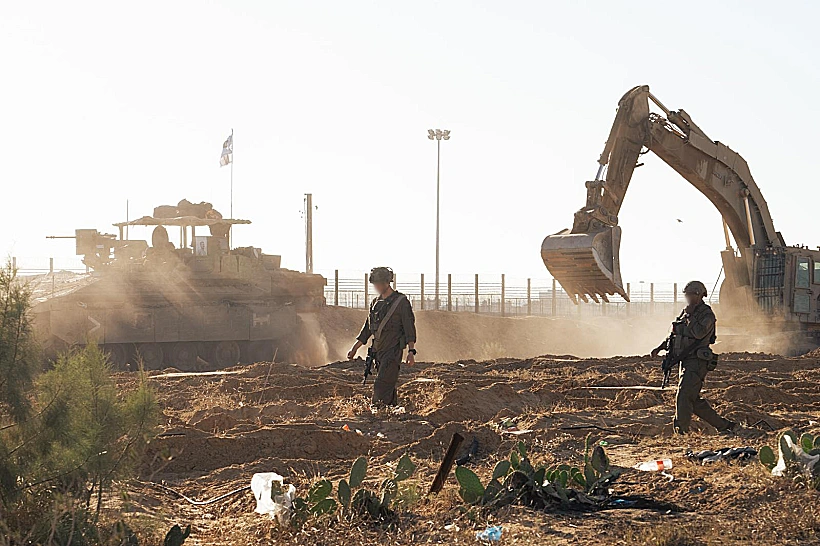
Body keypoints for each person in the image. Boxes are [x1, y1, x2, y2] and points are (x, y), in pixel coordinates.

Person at [651, 280, 736, 435]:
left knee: (683, 395)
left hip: (697, 361)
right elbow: (676, 333)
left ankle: (681, 432)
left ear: (699, 295)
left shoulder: (706, 314)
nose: (688, 298)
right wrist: (661, 347)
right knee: (692, 399)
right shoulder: (686, 312)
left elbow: (698, 333)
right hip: (685, 359)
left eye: (691, 295)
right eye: (687, 295)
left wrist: (690, 315)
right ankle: (724, 426)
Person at [347, 267, 417, 407]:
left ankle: (378, 413)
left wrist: (411, 352)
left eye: (379, 283)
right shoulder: (375, 303)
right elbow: (367, 329)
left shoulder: (401, 302)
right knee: (387, 385)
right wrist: (355, 349)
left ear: (387, 283)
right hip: (378, 351)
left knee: (381, 385)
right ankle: (391, 412)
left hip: (393, 351)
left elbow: (409, 328)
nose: (377, 287)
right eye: (375, 284)